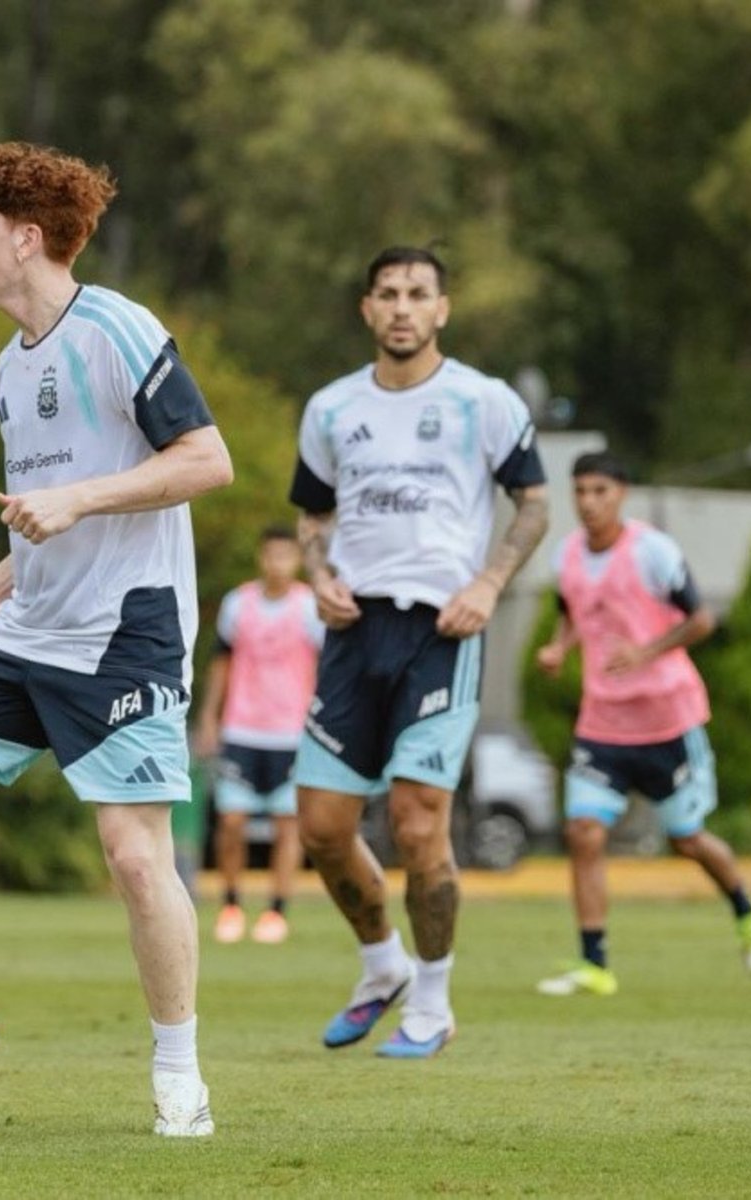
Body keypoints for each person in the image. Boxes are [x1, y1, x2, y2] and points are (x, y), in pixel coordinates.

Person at [0, 142, 233, 1137]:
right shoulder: (8, 368)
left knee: (133, 857)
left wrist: (75, 499)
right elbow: (47, 515)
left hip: (123, 638)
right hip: (27, 631)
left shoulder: (116, 328)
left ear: (24, 237)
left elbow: (207, 460)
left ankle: (178, 1077)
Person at [288, 246, 549, 1058]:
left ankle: (432, 1005)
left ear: (443, 309)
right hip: (351, 631)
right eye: (388, 294)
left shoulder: (483, 401)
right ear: (367, 309)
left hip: (441, 631)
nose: (403, 307)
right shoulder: (332, 408)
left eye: (419, 294)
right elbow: (310, 519)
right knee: (323, 827)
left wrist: (490, 583)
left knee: (415, 817)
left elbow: (534, 504)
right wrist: (318, 572)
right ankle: (382, 968)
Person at [534, 451, 751, 996]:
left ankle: (744, 905)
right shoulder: (566, 556)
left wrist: (647, 652)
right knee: (584, 833)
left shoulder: (653, 552)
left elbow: (701, 619)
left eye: (600, 491)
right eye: (581, 492)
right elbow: (573, 612)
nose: (589, 503)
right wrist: (557, 647)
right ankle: (595, 964)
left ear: (622, 493)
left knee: (686, 840)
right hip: (603, 723)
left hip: (668, 719)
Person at [193, 526, 324, 945]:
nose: (278, 564)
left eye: (287, 556)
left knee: (289, 825)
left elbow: (326, 668)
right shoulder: (238, 604)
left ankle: (275, 911)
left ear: (298, 560)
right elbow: (221, 664)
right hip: (242, 728)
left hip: (292, 733)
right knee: (232, 822)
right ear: (261, 558)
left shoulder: (310, 606)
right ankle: (231, 904)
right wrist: (210, 717)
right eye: (272, 556)